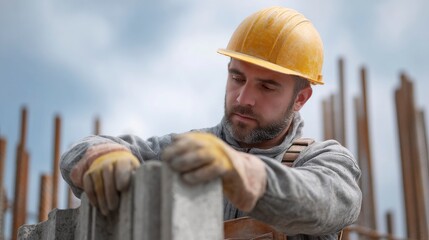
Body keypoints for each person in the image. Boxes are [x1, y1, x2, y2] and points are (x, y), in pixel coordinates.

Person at [60, 6, 362, 239]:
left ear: (301, 99)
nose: (244, 98)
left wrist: (243, 173)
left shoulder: (324, 161)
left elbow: (325, 200)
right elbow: (88, 147)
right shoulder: (192, 151)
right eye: (237, 78)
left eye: (267, 87)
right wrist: (101, 158)